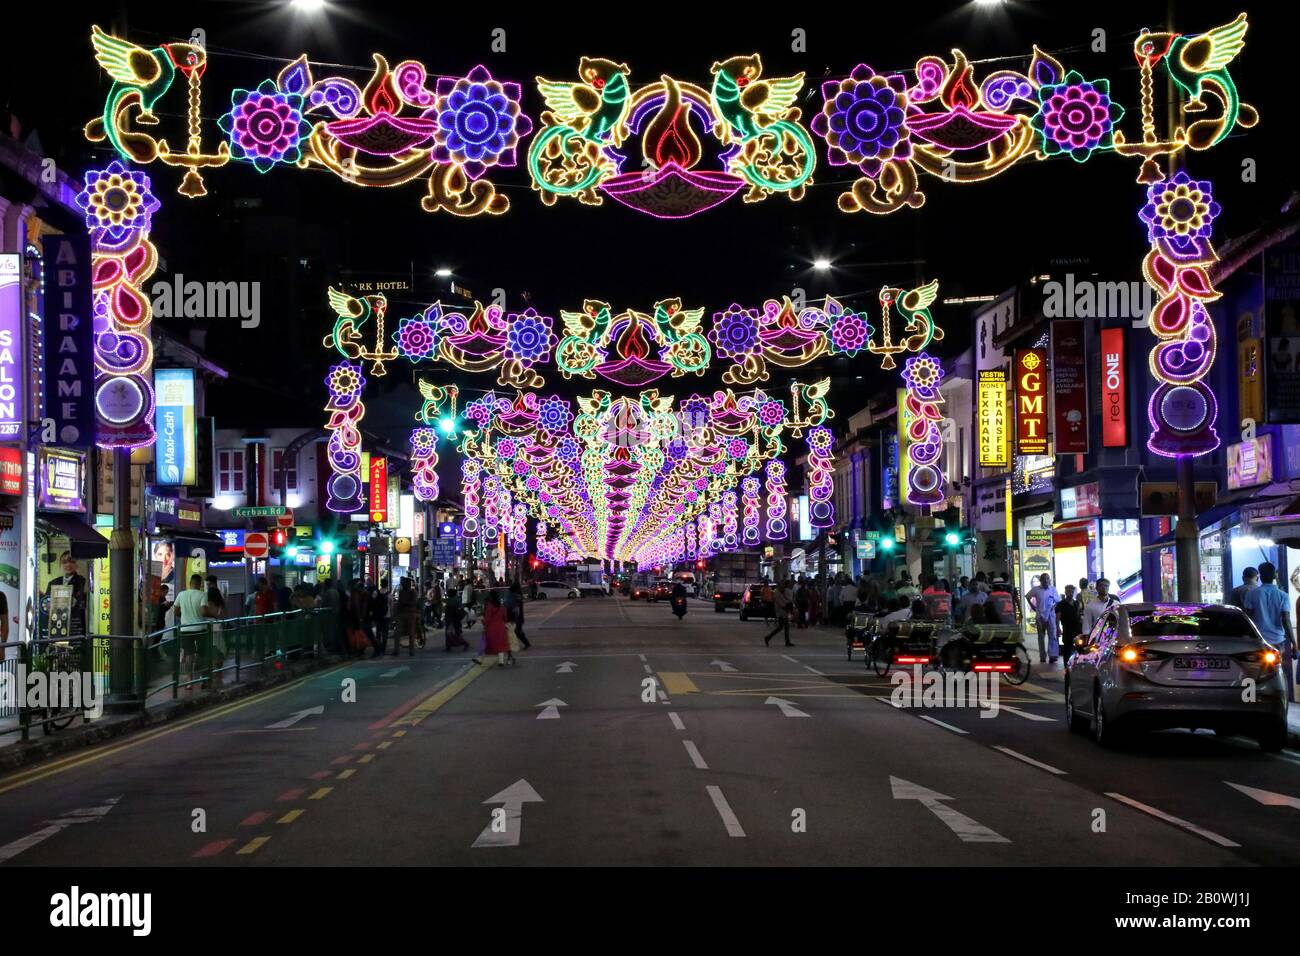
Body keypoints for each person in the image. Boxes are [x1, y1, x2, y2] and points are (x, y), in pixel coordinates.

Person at [1242, 562, 1296, 703]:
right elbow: (1286, 620)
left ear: (1259, 576)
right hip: (1278, 642)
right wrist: (1294, 643)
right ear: (1274, 576)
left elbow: (1247, 617)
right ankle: (1279, 700)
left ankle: (1253, 700)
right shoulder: (1283, 595)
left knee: (1256, 673)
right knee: (1278, 672)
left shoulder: (1252, 593)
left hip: (1258, 642)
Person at [174, 574, 209, 689]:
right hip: (200, 628)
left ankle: (189, 682)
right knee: (202, 653)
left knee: (188, 655)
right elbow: (204, 612)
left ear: (190, 583)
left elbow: (176, 611)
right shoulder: (202, 595)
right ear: (199, 584)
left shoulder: (181, 594)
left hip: (185, 629)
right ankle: (203, 679)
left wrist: (183, 616)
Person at [1027, 573, 1060, 664]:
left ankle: (1052, 655)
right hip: (1040, 616)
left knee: (1052, 636)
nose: (1046, 580)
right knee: (1041, 637)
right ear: (1041, 580)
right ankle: (1042, 657)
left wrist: (1054, 606)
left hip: (1051, 616)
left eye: (1047, 578)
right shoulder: (1036, 589)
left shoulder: (1053, 589)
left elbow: (1057, 601)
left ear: (1049, 580)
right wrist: (1033, 607)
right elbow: (1027, 596)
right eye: (1044, 579)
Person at [482, 591, 513, 666]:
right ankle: (501, 661)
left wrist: (485, 626)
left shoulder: (489, 606)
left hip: (491, 627)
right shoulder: (502, 606)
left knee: (487, 642)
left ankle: (481, 658)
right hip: (501, 627)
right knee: (501, 644)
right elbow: (505, 618)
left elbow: (488, 618)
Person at [204, 583, 227, 686]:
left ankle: (210, 672)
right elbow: (222, 616)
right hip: (218, 627)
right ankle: (219, 671)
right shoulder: (220, 604)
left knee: (210, 650)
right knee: (220, 649)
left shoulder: (206, 603)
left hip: (207, 627)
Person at [1057, 584, 1084, 664]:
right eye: (1069, 591)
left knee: (1079, 649)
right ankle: (1067, 668)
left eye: (1072, 591)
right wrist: (1058, 628)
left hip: (1078, 629)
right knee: (1067, 650)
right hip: (1067, 629)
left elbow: (1080, 615)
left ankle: (1078, 666)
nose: (1070, 593)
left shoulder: (1077, 603)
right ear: (1065, 592)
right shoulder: (1061, 604)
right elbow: (1057, 617)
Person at [763, 581, 795, 647]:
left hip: (783, 611)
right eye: (782, 587)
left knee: (785, 627)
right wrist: (788, 610)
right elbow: (781, 603)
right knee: (781, 627)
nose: (783, 588)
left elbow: (787, 600)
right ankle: (768, 637)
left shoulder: (782, 592)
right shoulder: (777, 593)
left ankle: (787, 641)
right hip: (780, 612)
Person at [394, 578, 420, 657]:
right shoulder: (401, 592)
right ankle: (396, 651)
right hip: (402, 613)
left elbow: (413, 602)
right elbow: (399, 603)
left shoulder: (413, 592)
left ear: (407, 584)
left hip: (410, 613)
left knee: (411, 633)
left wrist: (405, 604)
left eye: (403, 583)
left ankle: (411, 651)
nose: (402, 584)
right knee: (397, 632)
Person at [507, 581, 531, 649]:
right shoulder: (516, 594)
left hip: (516, 615)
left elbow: (517, 606)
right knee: (517, 630)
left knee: (517, 631)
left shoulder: (515, 595)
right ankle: (525, 642)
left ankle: (526, 643)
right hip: (516, 615)